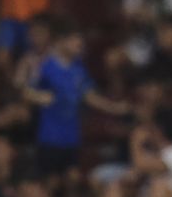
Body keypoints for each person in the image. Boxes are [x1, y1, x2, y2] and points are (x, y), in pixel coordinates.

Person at [24, 19, 131, 184]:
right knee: (51, 182)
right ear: (61, 41)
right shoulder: (45, 65)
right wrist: (38, 97)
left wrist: (115, 108)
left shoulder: (79, 68)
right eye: (75, 40)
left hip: (72, 136)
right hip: (50, 136)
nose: (80, 44)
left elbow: (89, 96)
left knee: (73, 180)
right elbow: (25, 91)